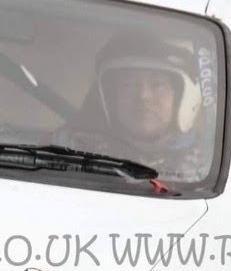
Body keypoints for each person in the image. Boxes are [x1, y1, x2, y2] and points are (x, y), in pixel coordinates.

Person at [71, 34, 209, 182]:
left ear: (182, 98)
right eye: (129, 85)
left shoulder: (206, 167)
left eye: (158, 85)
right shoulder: (76, 153)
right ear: (111, 98)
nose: (144, 96)